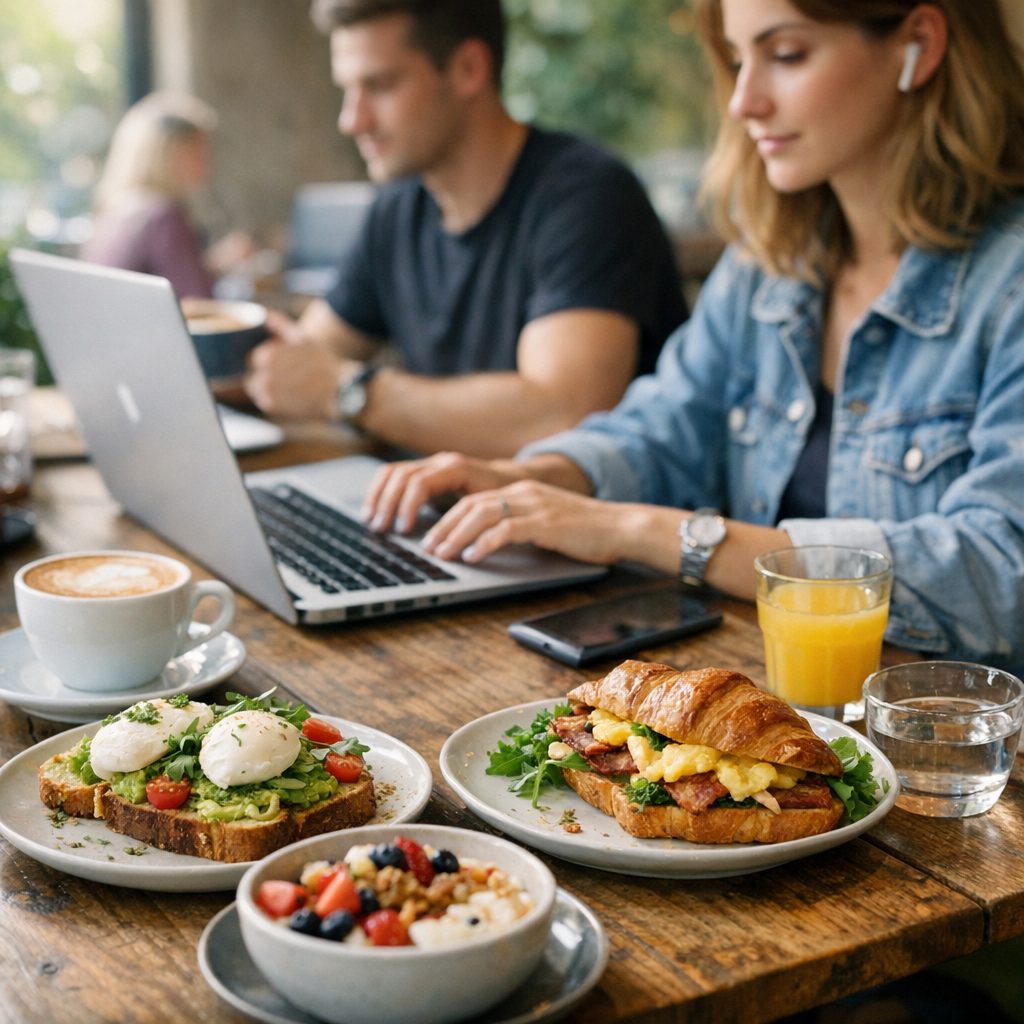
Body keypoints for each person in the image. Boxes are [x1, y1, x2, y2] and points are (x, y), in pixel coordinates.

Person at [362, 0, 1024, 675]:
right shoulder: (769, 263)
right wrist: (530, 480)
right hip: (783, 713)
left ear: (919, 42)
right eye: (737, 62)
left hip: (959, 755)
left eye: (787, 55)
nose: (744, 101)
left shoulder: (1011, 283)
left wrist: (652, 532)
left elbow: (1000, 569)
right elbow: (666, 426)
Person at [243, 0, 688, 457]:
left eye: (378, 85)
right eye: (348, 89)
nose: (352, 120)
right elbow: (307, 358)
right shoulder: (397, 207)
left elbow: (563, 416)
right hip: (437, 514)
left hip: (565, 522)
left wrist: (350, 393)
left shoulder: (587, 196)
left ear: (468, 69)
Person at [82, 92, 251, 299]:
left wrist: (215, 264)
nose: (208, 162)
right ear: (170, 155)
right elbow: (197, 300)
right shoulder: (163, 216)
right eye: (198, 151)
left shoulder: (118, 208)